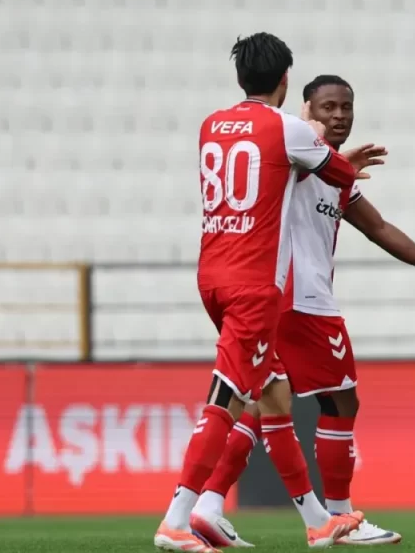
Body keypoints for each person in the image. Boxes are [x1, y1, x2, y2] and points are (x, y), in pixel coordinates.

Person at [188, 75, 415, 548]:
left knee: (265, 401)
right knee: (340, 401)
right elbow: (279, 174)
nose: (339, 115)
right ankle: (339, 516)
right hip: (298, 301)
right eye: (327, 107)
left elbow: (378, 227)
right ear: (303, 107)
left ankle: (207, 505)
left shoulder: (328, 168)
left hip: (280, 299)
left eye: (346, 107)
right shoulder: (292, 149)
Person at [154, 35, 387, 553]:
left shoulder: (211, 124)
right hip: (255, 285)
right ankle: (177, 518)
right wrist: (341, 158)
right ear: (286, 81)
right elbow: (336, 174)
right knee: (227, 401)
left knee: (272, 398)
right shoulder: (289, 128)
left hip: (210, 273)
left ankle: (316, 521)